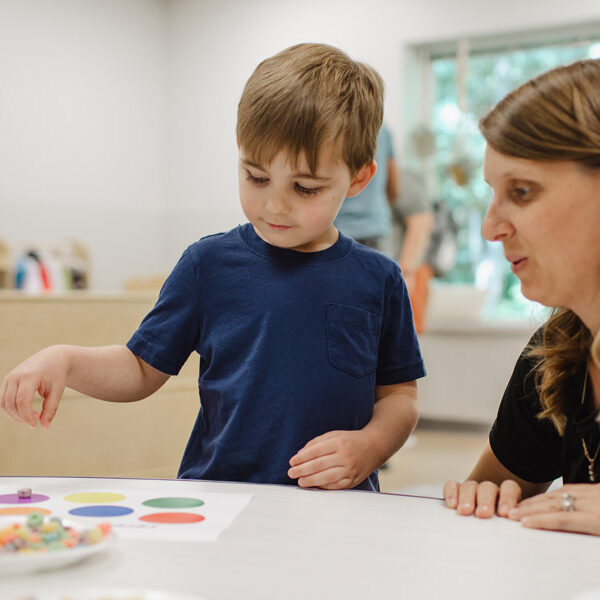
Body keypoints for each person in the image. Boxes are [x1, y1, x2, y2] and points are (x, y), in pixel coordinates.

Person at [0, 43, 425, 493]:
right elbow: (140, 369)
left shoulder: (379, 279)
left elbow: (400, 397)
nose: (274, 204)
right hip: (220, 497)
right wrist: (66, 360)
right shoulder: (208, 264)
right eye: (256, 177)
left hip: (338, 505)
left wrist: (372, 446)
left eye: (305, 187)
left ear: (358, 179)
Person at [443, 58, 600, 535]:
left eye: (523, 191)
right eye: (494, 193)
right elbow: (490, 490)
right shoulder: (557, 353)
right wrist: (485, 497)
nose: (492, 227)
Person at [335, 124, 434, 331]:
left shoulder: (319, 120)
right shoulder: (381, 130)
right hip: (374, 235)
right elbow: (392, 184)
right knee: (376, 330)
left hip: (334, 234)